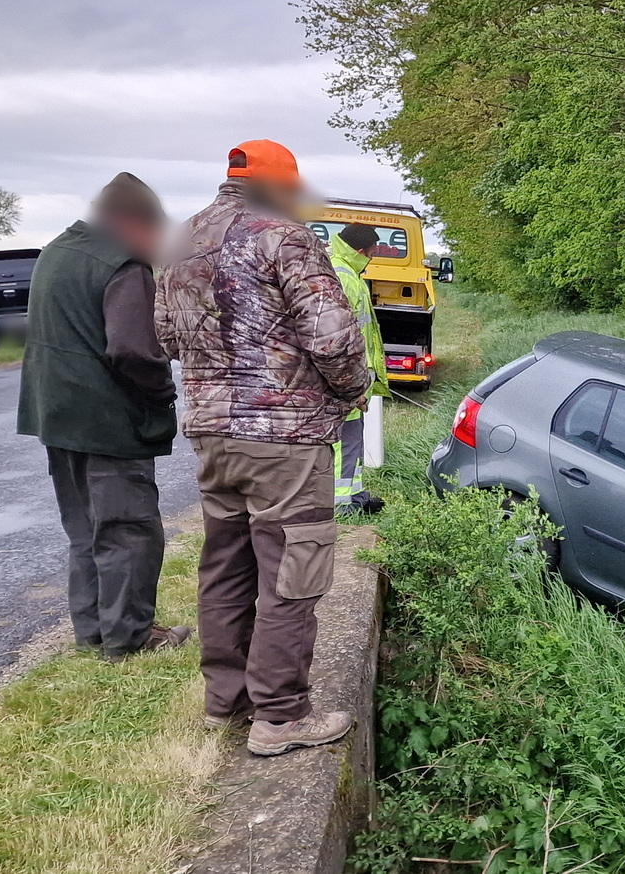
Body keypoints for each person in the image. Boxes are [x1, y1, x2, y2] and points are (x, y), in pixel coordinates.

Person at [156, 140, 371, 757]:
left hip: (212, 433)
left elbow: (165, 335)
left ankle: (226, 700)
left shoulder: (180, 240)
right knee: (292, 570)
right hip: (285, 438)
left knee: (226, 564)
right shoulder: (285, 237)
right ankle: (279, 714)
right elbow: (332, 337)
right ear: (278, 185)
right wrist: (350, 393)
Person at [17, 172, 192, 662]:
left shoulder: (58, 250)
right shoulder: (123, 264)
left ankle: (93, 629)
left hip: (58, 416)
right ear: (134, 223)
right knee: (129, 530)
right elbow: (134, 351)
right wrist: (161, 394)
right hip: (108, 420)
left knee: (86, 528)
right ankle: (130, 637)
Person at [327, 223, 391, 516]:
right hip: (345, 379)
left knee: (352, 438)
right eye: (372, 253)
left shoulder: (341, 271)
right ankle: (343, 503)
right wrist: (351, 384)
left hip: (349, 377)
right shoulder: (344, 278)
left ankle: (354, 494)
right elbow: (338, 340)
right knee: (345, 440)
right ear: (359, 251)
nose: (372, 259)